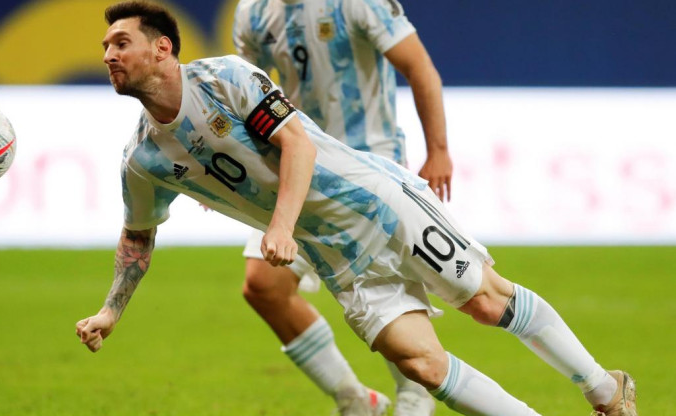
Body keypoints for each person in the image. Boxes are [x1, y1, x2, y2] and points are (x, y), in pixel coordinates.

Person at [76, 2, 637, 416]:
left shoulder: (224, 78)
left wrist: (281, 225)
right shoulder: (143, 159)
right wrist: (110, 311)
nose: (109, 56)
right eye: (105, 48)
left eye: (120, 43)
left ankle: (604, 391)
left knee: (488, 303)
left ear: (162, 48)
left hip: (379, 204)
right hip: (337, 256)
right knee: (420, 364)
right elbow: (137, 238)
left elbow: (297, 143)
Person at [231, 0, 450, 414]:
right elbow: (244, 95)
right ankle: (355, 399)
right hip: (299, 165)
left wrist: (438, 150)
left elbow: (419, 66)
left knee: (384, 287)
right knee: (264, 286)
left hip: (368, 162)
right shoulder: (253, 12)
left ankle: (414, 396)